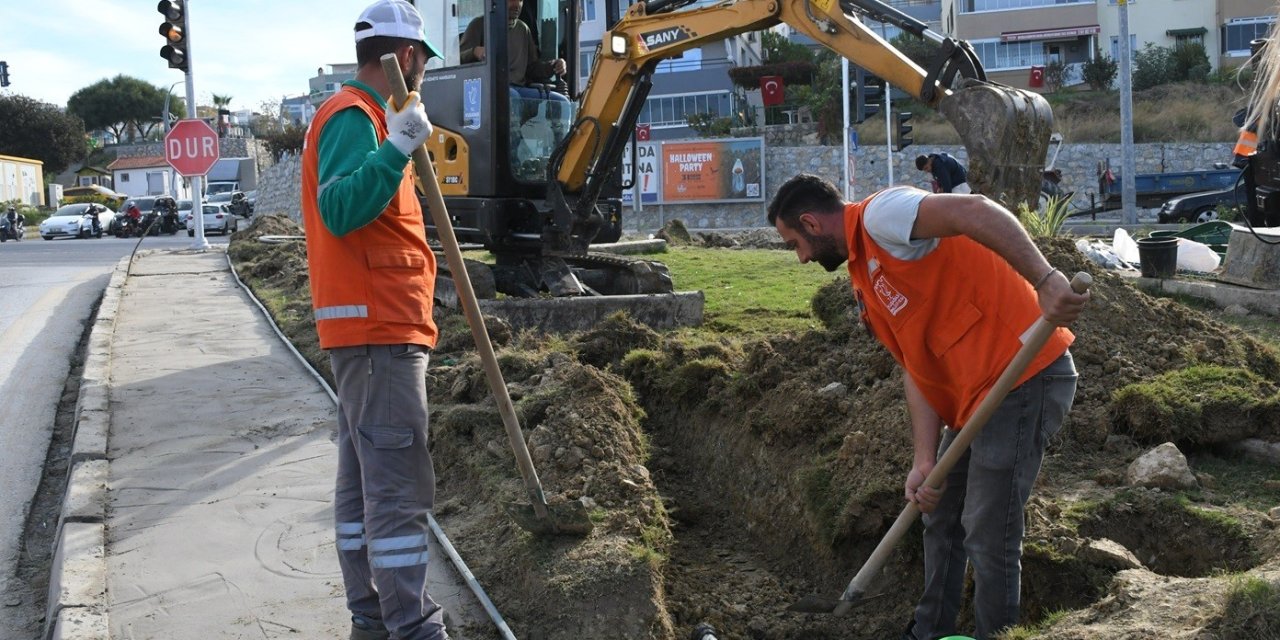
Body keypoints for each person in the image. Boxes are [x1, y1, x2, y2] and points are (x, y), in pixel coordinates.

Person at [767, 174, 1088, 640]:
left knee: (987, 527)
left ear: (812, 222)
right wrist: (924, 460)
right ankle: (928, 631)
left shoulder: (882, 217)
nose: (801, 257)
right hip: (974, 399)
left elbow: (973, 209)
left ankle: (995, 634)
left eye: (795, 242)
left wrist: (1047, 279)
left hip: (1023, 374)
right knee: (939, 514)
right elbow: (915, 366)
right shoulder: (865, 276)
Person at [299, 2, 447, 639]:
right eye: (422, 65)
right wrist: (396, 148)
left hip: (371, 332)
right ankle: (413, 628)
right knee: (397, 490)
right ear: (407, 58)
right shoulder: (355, 118)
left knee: (364, 490)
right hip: (379, 331)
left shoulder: (365, 118)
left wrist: (395, 143)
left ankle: (373, 622)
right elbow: (339, 207)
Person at [458, 0, 567, 85]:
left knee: (559, 100)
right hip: (490, 92)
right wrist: (474, 52)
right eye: (512, 0)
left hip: (518, 91)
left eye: (520, 0)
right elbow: (455, 61)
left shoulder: (523, 29)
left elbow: (532, 67)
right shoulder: (478, 25)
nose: (517, 5)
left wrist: (553, 66)